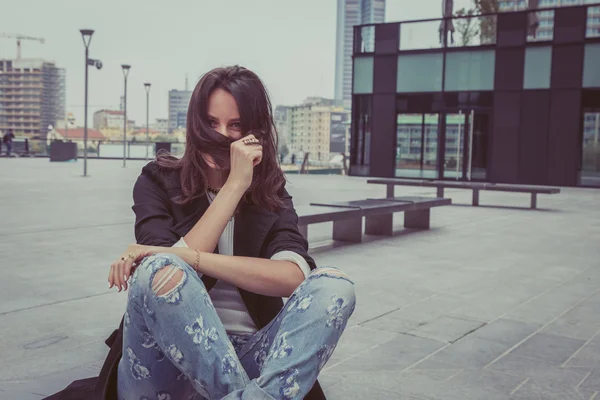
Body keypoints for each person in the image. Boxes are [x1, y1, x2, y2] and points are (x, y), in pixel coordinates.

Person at [58, 66, 354, 400]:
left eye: (236, 125)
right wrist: (233, 187)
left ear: (255, 132)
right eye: (211, 123)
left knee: (334, 285)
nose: (222, 136)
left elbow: (292, 276)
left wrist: (191, 254)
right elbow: (163, 276)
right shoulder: (157, 180)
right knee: (161, 270)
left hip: (251, 353)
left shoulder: (270, 192)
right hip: (167, 360)